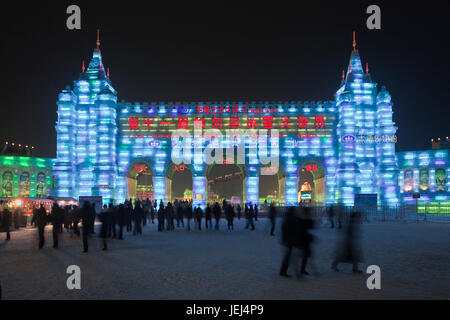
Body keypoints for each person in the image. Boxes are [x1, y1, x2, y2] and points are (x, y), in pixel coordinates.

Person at [279, 207, 299, 277]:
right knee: (289, 256)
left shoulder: (287, 218)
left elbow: (284, 229)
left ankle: (283, 270)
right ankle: (283, 271)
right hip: (290, 240)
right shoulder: (292, 218)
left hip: (288, 240)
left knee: (288, 256)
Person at [296, 206, 315, 276]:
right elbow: (310, 226)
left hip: (304, 239)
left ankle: (302, 269)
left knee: (305, 255)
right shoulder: (304, 219)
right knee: (304, 255)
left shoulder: (303, 218)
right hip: (303, 239)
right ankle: (301, 270)